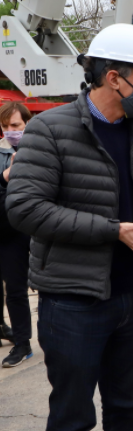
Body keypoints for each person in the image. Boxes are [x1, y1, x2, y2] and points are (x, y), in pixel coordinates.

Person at [6, 24, 133, 431]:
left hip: (130, 295)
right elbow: (25, 208)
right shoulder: (51, 128)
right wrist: (112, 230)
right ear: (112, 77)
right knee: (71, 417)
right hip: (72, 301)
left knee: (127, 407)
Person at [0, 102, 35, 367]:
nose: (10, 131)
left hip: (24, 231)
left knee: (17, 289)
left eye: (15, 126)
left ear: (27, 123)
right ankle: (4, 329)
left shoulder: (38, 148)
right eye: (5, 126)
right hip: (3, 228)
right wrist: (4, 178)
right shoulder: (2, 153)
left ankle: (24, 343)